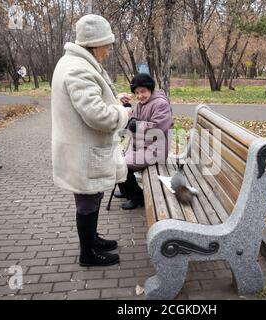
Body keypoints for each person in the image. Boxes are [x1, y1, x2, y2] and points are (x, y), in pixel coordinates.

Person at [51, 14, 133, 267]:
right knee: (87, 201)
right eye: (106, 45)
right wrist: (124, 112)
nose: (108, 50)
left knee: (92, 197)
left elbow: (90, 102)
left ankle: (92, 239)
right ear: (94, 43)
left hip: (81, 147)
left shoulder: (73, 63)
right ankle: (88, 253)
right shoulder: (78, 68)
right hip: (84, 151)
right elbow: (97, 115)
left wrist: (114, 99)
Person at [116, 73, 174, 210]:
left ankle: (137, 197)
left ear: (150, 89)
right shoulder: (142, 104)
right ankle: (126, 192)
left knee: (122, 165)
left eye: (143, 91)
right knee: (117, 161)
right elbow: (132, 123)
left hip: (155, 150)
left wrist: (138, 125)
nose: (140, 95)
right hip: (141, 147)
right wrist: (128, 107)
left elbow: (159, 128)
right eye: (136, 92)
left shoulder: (160, 104)